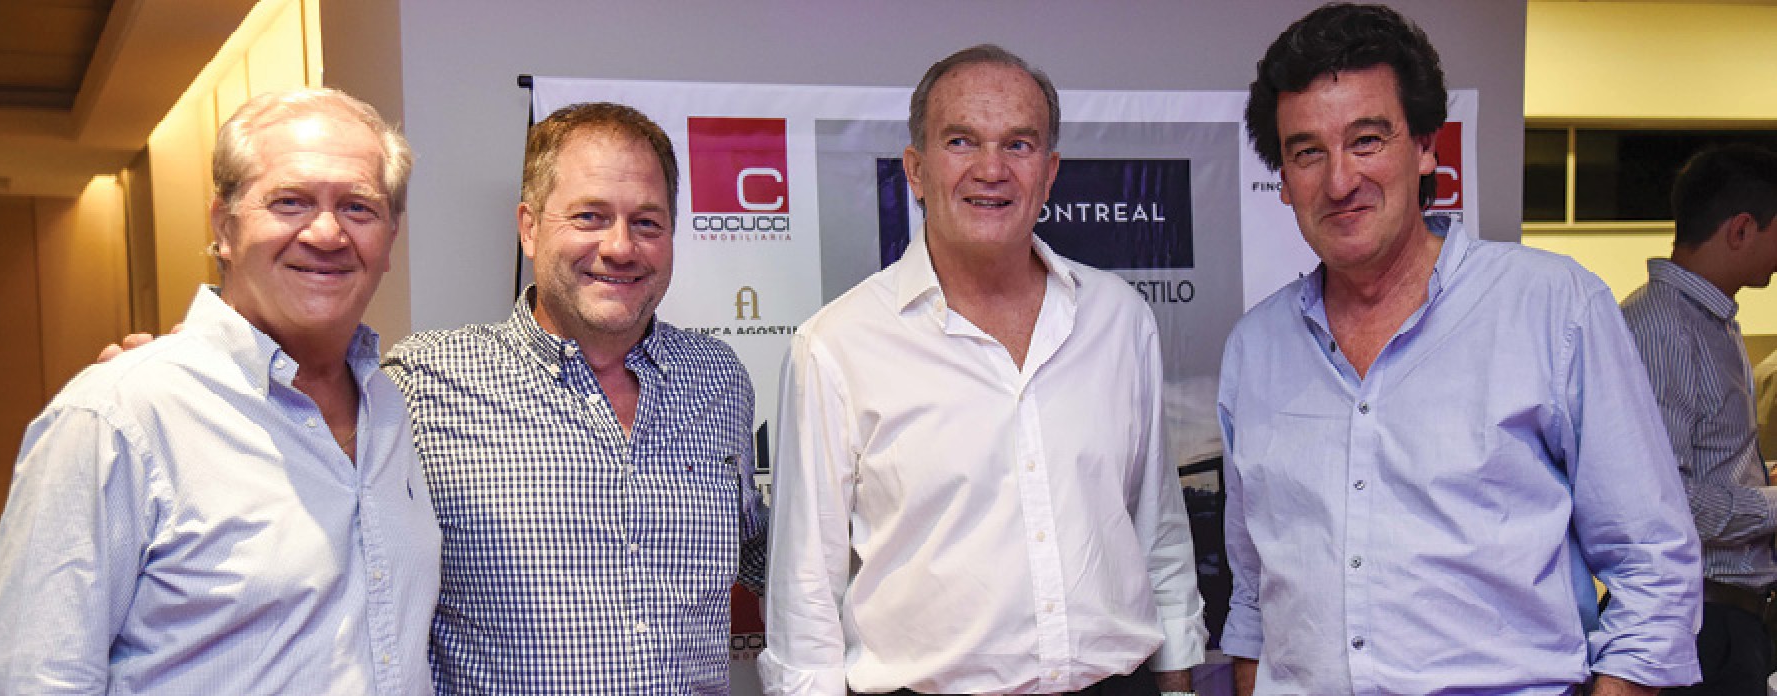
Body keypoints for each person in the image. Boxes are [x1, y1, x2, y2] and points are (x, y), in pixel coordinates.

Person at [1219, 4, 1702, 694]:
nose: (1339, 181)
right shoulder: (1255, 349)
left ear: (1425, 148)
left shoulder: (1553, 307)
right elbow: (1253, 595)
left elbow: (1652, 565)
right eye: (1307, 152)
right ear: (1284, 178)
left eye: (1366, 140)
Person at [760, 44, 1207, 695]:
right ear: (916, 170)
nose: (991, 169)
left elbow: (1157, 528)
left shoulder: (1120, 319)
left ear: (1049, 173)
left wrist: (1180, 683)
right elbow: (805, 593)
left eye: (1018, 145)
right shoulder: (837, 345)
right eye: (961, 141)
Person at [0, 88, 440, 693]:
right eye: (290, 201)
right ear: (224, 226)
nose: (326, 232)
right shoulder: (119, 415)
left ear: (390, 237)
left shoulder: (394, 406)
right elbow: (30, 680)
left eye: (358, 207)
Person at [381, 102, 767, 694]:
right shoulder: (423, 382)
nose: (621, 247)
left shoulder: (718, 379)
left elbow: (759, 552)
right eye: (590, 216)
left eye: (647, 222)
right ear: (529, 227)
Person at [1621, 144, 1777, 695]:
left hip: (1728, 621)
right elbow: (1664, 501)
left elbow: (1706, 463)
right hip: (1698, 625)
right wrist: (1772, 505)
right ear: (1741, 229)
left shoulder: (1711, 320)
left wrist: (1763, 480)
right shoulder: (1665, 327)